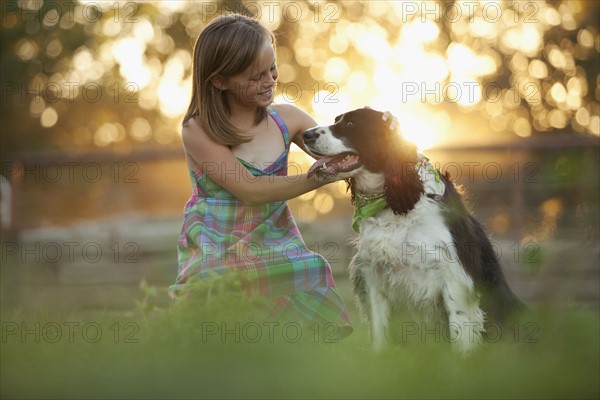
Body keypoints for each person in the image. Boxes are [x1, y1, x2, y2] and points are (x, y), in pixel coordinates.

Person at [170, 13, 394, 339]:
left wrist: (387, 143)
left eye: (272, 69)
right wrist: (316, 179)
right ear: (219, 81)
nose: (269, 80)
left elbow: (341, 152)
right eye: (254, 76)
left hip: (274, 238)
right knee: (217, 289)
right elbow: (250, 189)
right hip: (218, 242)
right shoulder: (198, 129)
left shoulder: (287, 119)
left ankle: (307, 363)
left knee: (311, 268)